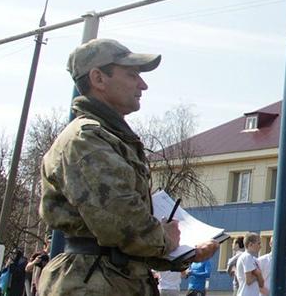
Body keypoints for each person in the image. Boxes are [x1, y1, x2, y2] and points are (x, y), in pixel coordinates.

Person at [38, 38, 217, 295]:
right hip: (91, 283)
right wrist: (165, 238)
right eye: (132, 75)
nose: (142, 85)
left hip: (110, 277)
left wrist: (184, 252)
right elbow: (120, 222)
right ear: (99, 79)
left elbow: (121, 237)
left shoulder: (110, 138)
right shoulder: (86, 139)